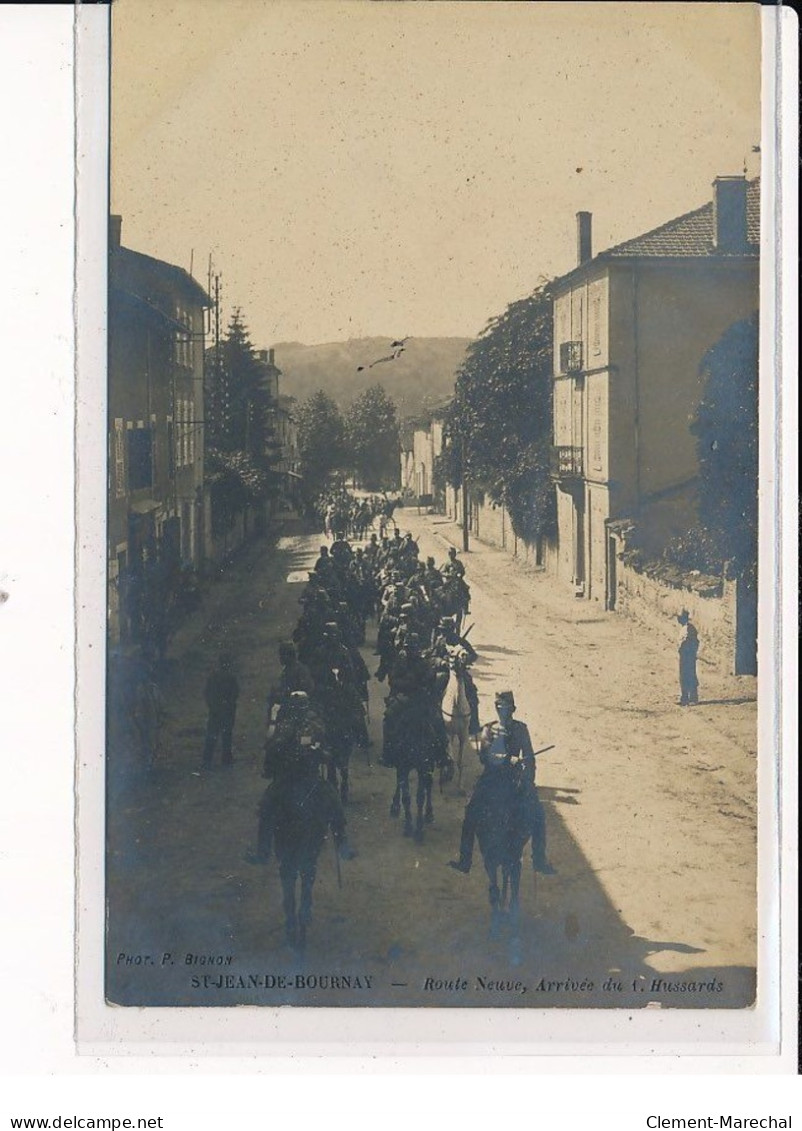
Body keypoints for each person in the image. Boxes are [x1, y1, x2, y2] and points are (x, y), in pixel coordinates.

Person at [449, 690, 554, 874]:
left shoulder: (521, 729)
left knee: (538, 814)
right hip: (491, 778)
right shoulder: (489, 729)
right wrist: (506, 758)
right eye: (499, 707)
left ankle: (539, 859)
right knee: (471, 813)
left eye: (505, 708)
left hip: (514, 779)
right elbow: (483, 757)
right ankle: (465, 860)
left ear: (512, 709)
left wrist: (528, 779)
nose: (502, 711)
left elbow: (530, 758)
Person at [202, 652, 239, 767]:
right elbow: (235, 694)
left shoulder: (213, 677)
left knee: (212, 735)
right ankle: (226, 759)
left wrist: (212, 705)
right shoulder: (231, 678)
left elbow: (207, 693)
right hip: (226, 711)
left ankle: (207, 760)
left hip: (215, 710)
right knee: (226, 736)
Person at [677, 609, 700, 706]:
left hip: (687, 656)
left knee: (687, 675)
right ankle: (687, 697)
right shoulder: (687, 628)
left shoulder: (688, 629)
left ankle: (689, 698)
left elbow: (689, 642)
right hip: (687, 655)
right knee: (687, 675)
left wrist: (685, 651)